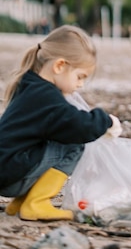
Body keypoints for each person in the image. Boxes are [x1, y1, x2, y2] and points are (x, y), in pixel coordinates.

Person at [0, 25, 122, 221]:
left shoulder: (30, 84)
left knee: (50, 141)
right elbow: (79, 127)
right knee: (75, 145)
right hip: (11, 175)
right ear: (59, 66)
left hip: (7, 168)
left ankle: (21, 202)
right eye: (80, 77)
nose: (80, 84)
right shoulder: (47, 98)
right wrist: (105, 120)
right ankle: (36, 203)